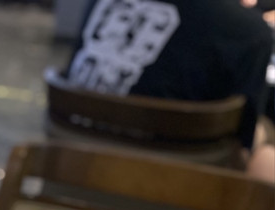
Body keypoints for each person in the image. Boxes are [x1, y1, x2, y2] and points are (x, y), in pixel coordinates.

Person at [66, 0, 274, 152]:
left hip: (69, 165)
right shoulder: (249, 32)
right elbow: (242, 145)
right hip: (170, 184)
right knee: (264, 144)